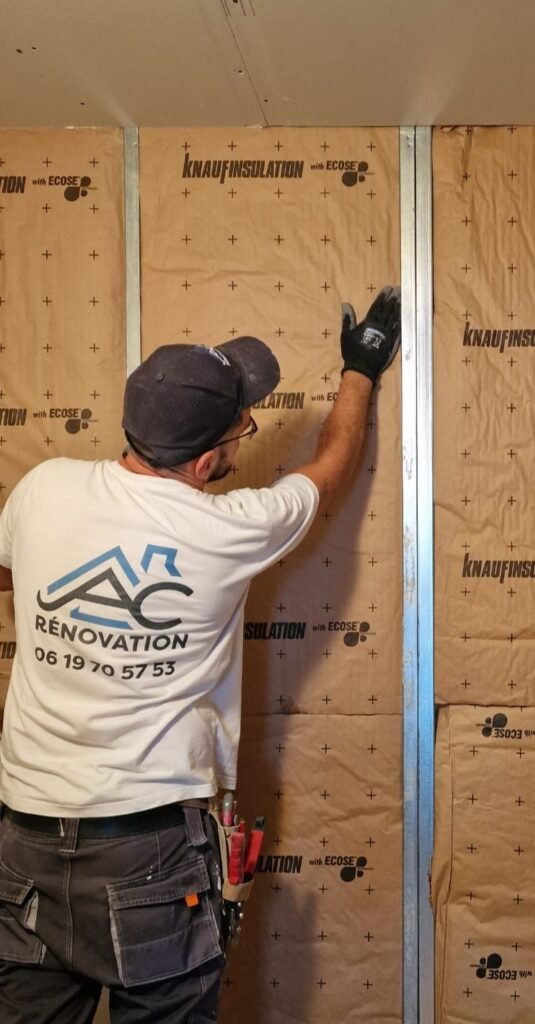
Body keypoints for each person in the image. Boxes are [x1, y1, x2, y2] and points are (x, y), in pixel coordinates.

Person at [0, 285, 401, 1024]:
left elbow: (7, 567)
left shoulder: (42, 489)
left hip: (22, 844)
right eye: (245, 429)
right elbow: (330, 468)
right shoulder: (230, 530)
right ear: (210, 457)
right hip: (145, 855)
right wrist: (361, 370)